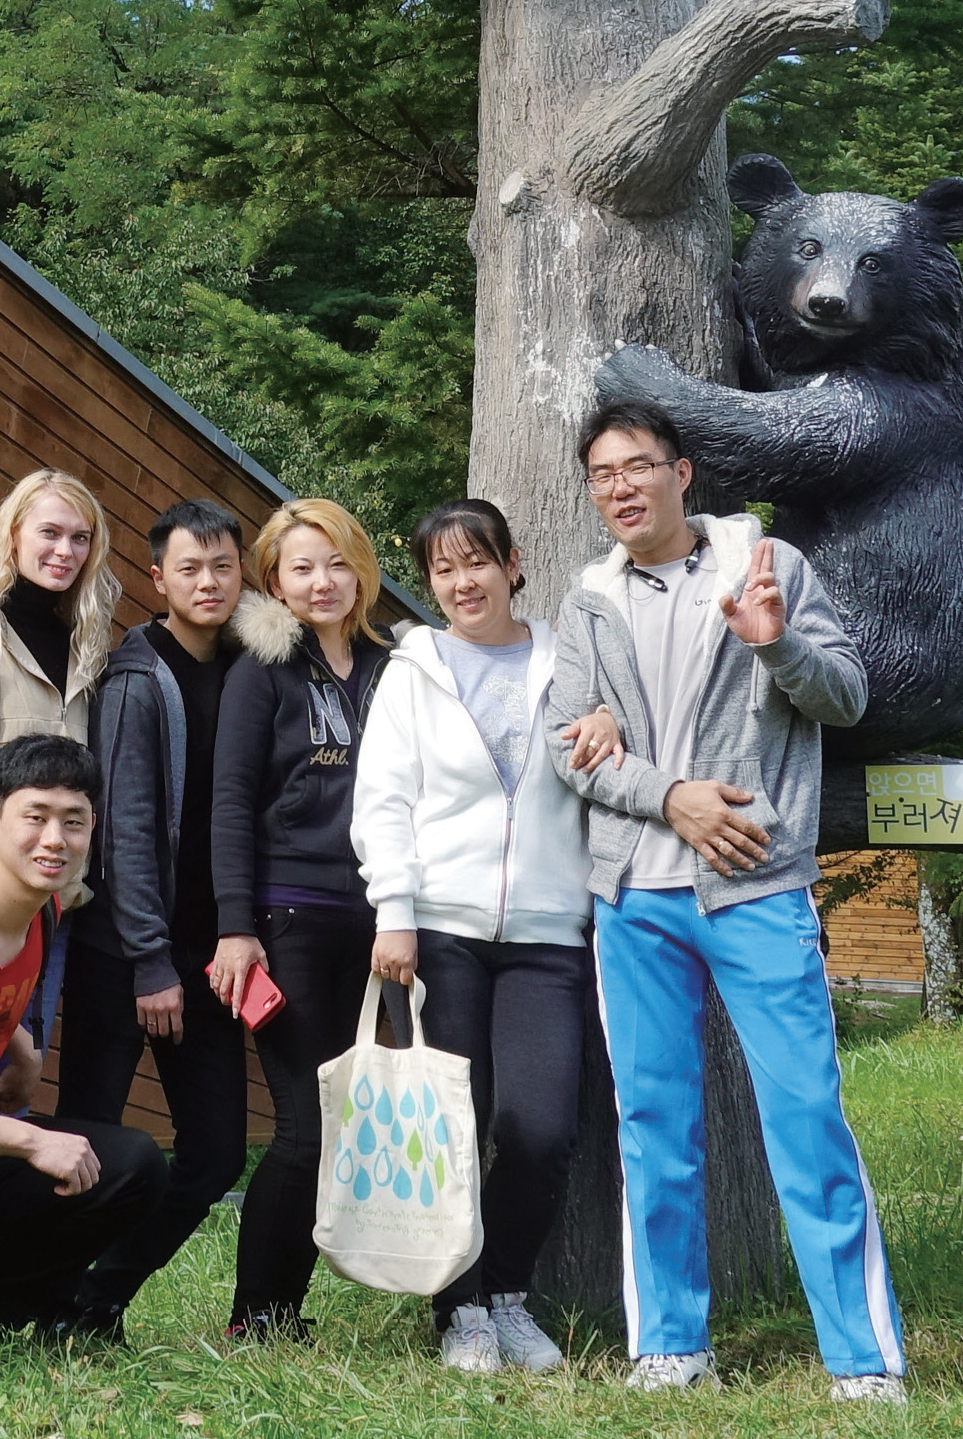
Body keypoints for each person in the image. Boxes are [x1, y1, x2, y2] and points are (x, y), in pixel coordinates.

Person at [544, 401, 908, 1404]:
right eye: (601, 474)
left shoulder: (767, 567)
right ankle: (669, 1340)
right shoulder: (588, 600)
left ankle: (864, 1359)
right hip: (635, 895)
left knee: (805, 1113)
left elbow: (847, 696)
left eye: (637, 466)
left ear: (682, 471)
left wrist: (778, 646)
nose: (620, 486)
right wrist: (670, 795)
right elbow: (562, 741)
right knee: (655, 1123)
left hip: (757, 885)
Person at [352, 499, 622, 1372]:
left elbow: (609, 754)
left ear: (512, 563)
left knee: (540, 1127)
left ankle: (506, 1292)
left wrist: (613, 723)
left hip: (550, 929)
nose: (461, 583)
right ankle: (459, 1310)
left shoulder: (567, 658)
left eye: (476, 562)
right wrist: (393, 912)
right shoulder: (413, 671)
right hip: (437, 931)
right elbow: (383, 802)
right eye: (442, 570)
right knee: (449, 1126)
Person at [54, 501, 247, 1342]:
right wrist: (149, 960)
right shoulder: (139, 676)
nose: (208, 582)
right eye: (190, 569)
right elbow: (125, 826)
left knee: (214, 1154)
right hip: (124, 955)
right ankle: (45, 1301)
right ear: (159, 577)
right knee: (88, 1144)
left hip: (206, 957)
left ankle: (103, 1295)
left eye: (223, 567)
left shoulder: (249, 664)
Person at [207, 498, 391, 1341]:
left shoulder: (392, 666)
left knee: (346, 1120)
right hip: (290, 914)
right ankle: (258, 1317)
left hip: (378, 918)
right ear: (274, 581)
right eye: (299, 567)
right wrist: (236, 925)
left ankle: (282, 1310)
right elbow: (232, 800)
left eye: (335, 563)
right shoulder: (261, 667)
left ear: (360, 567)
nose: (321, 582)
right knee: (305, 1123)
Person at [0, 735, 167, 1335]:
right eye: (35, 816)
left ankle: (1, 1314)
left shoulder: (44, 912)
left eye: (73, 821)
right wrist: (29, 1141)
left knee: (130, 1164)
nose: (54, 840)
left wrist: (22, 1050)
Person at [0, 469, 121, 1058]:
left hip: (49, 910)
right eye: (50, 533)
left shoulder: (85, 651)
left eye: (80, 538)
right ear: (13, 533)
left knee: (12, 1095)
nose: (65, 551)